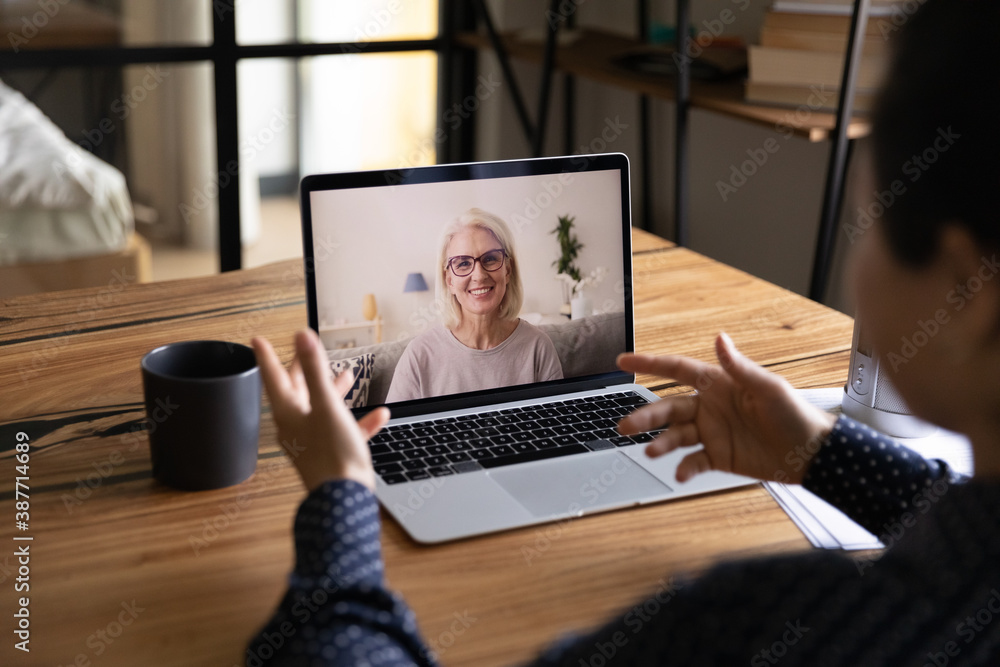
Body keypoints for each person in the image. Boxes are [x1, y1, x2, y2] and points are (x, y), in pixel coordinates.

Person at [247, 1, 1000, 663]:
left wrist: (341, 496)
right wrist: (823, 452)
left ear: (969, 290)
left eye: (866, 222)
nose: (477, 274)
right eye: (460, 264)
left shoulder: (754, 624)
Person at [385, 208, 563, 403]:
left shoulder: (538, 347)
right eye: (463, 263)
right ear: (449, 281)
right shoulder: (419, 355)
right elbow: (396, 431)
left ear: (508, 271)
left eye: (490, 259)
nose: (479, 275)